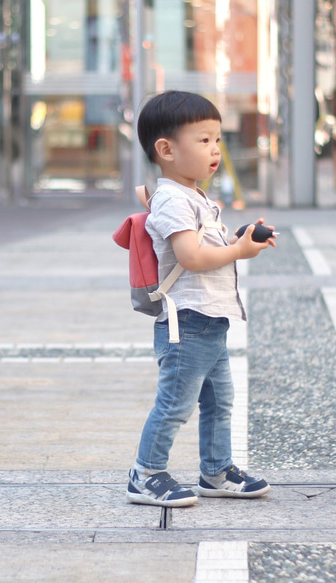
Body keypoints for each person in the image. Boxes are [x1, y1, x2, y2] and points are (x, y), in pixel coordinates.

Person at [127, 90, 276, 508]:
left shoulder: (196, 197)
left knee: (218, 401)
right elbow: (191, 258)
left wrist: (239, 238)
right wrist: (238, 252)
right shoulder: (174, 199)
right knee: (176, 404)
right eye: (204, 140)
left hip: (209, 322)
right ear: (166, 149)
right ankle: (145, 473)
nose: (214, 150)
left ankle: (216, 470)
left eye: (217, 140)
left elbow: (207, 247)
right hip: (187, 324)